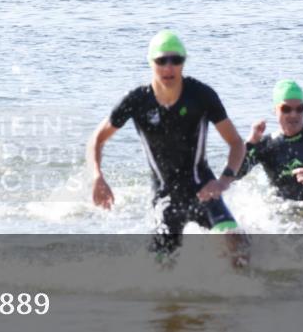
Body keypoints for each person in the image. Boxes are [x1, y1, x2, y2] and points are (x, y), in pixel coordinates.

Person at [88, 30, 248, 256]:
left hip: (203, 188)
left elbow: (236, 143)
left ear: (184, 63)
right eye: (161, 60)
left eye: (176, 60)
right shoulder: (137, 101)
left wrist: (223, 182)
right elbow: (97, 139)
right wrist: (97, 177)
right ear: (151, 62)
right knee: (160, 268)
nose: (168, 67)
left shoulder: (201, 95)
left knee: (237, 244)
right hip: (165, 196)